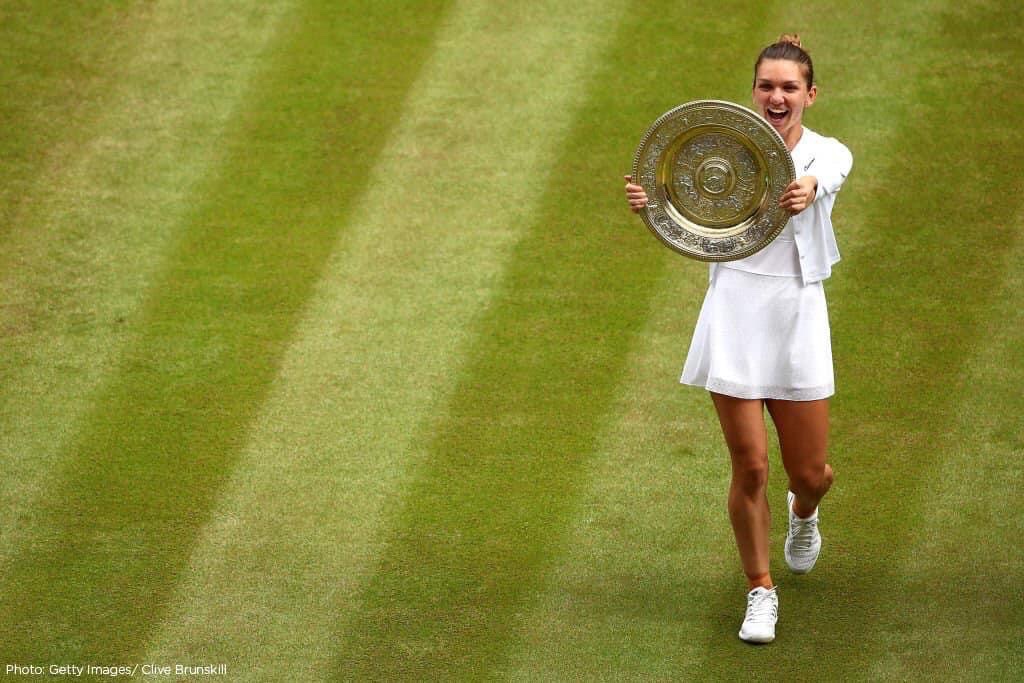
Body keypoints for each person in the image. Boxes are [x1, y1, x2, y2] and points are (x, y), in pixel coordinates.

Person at [623, 34, 853, 644]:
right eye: (766, 86)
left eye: (788, 87)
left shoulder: (829, 154)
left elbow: (829, 174)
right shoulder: (723, 147)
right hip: (734, 312)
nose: (776, 97)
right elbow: (681, 194)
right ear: (753, 91)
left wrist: (810, 189)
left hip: (798, 314)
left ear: (810, 94)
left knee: (811, 473)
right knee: (749, 464)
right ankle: (760, 590)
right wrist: (652, 198)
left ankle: (804, 513)